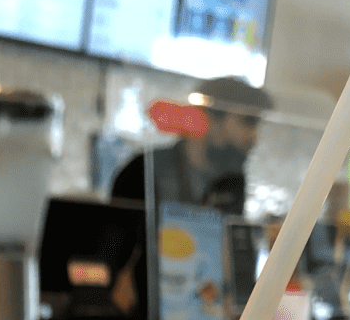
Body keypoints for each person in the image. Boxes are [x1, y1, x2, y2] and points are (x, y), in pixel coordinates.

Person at [111, 76, 274, 217]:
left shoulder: (231, 182)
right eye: (248, 121)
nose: (254, 137)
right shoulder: (144, 171)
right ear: (210, 117)